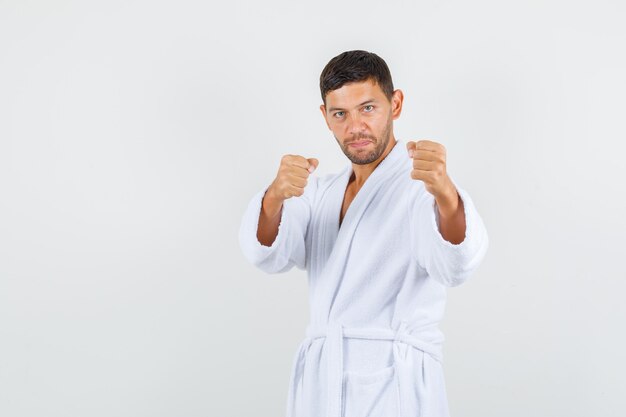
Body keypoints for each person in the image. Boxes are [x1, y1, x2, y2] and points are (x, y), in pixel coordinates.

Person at [238, 50, 489, 417]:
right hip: (324, 382)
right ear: (325, 117)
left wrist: (446, 195)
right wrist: (275, 195)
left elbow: (456, 265)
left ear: (396, 103)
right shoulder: (321, 191)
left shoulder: (419, 187)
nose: (355, 126)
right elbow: (268, 255)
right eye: (341, 113)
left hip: (393, 383)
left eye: (368, 108)